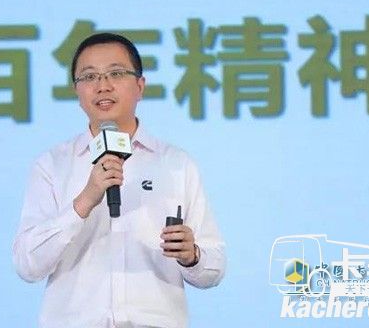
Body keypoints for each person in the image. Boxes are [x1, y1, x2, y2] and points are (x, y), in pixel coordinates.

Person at [13, 33, 226, 328]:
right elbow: (27, 265)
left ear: (140, 86)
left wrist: (192, 256)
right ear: (76, 90)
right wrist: (84, 201)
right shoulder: (52, 166)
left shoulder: (176, 165)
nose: (103, 85)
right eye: (89, 76)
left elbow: (214, 268)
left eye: (116, 73)